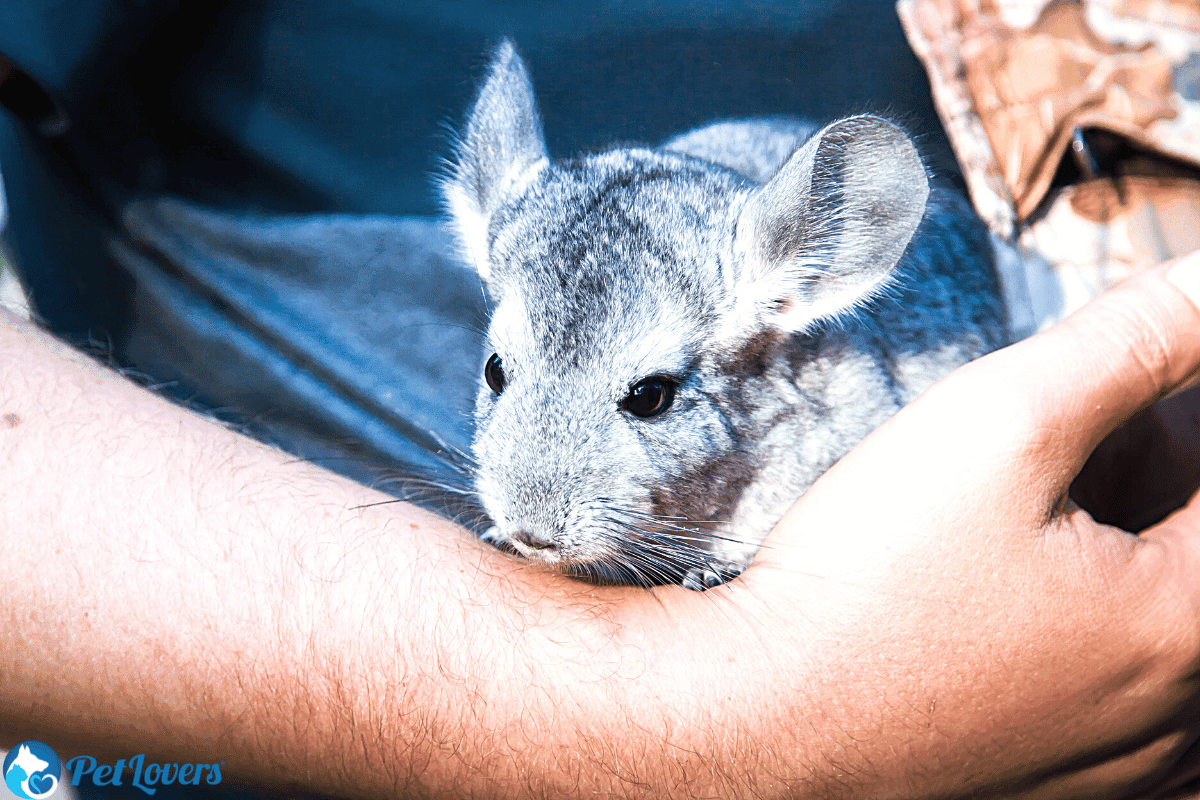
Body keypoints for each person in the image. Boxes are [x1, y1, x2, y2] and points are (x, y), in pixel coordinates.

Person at [4, 2, 1200, 797]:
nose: (526, 488)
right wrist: (661, 716)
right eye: (501, 372)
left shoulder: (815, 330)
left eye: (646, 395)